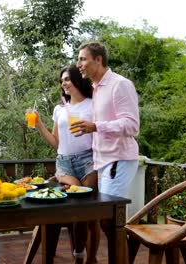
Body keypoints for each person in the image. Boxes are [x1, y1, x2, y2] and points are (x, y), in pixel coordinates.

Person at [74, 41, 140, 259]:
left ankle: (123, 258)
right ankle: (124, 257)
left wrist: (95, 126)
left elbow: (132, 125)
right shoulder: (96, 88)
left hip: (119, 159)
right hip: (104, 163)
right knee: (108, 220)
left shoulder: (120, 84)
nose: (78, 64)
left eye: (83, 59)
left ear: (98, 59)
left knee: (110, 219)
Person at [34, 65, 99, 264]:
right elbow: (56, 142)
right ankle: (79, 255)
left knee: (90, 212)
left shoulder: (92, 104)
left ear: (78, 81)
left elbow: (101, 132)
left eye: (68, 79)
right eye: (62, 80)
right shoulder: (60, 109)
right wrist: (39, 125)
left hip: (89, 160)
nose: (64, 83)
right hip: (65, 163)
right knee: (78, 205)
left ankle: (91, 258)